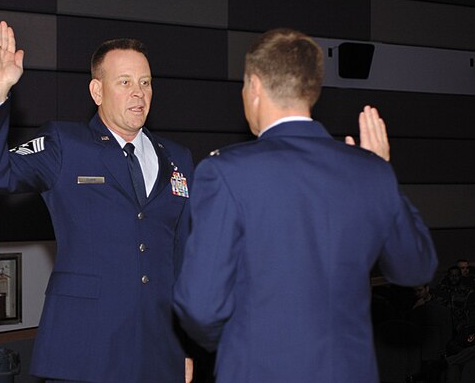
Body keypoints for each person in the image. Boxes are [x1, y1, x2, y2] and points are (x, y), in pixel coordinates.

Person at [173, 28, 438, 382]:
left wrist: (238, 342)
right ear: (311, 89)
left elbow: (201, 306)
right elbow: (415, 269)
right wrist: (382, 173)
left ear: (253, 86)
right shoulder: (368, 172)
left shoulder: (225, 173)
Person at [0, 21, 194, 382]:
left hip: (158, 352)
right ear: (97, 91)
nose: (139, 93)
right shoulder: (65, 145)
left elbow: (184, 256)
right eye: (125, 82)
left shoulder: (178, 158)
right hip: (85, 348)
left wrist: (184, 346)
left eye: (145, 82)